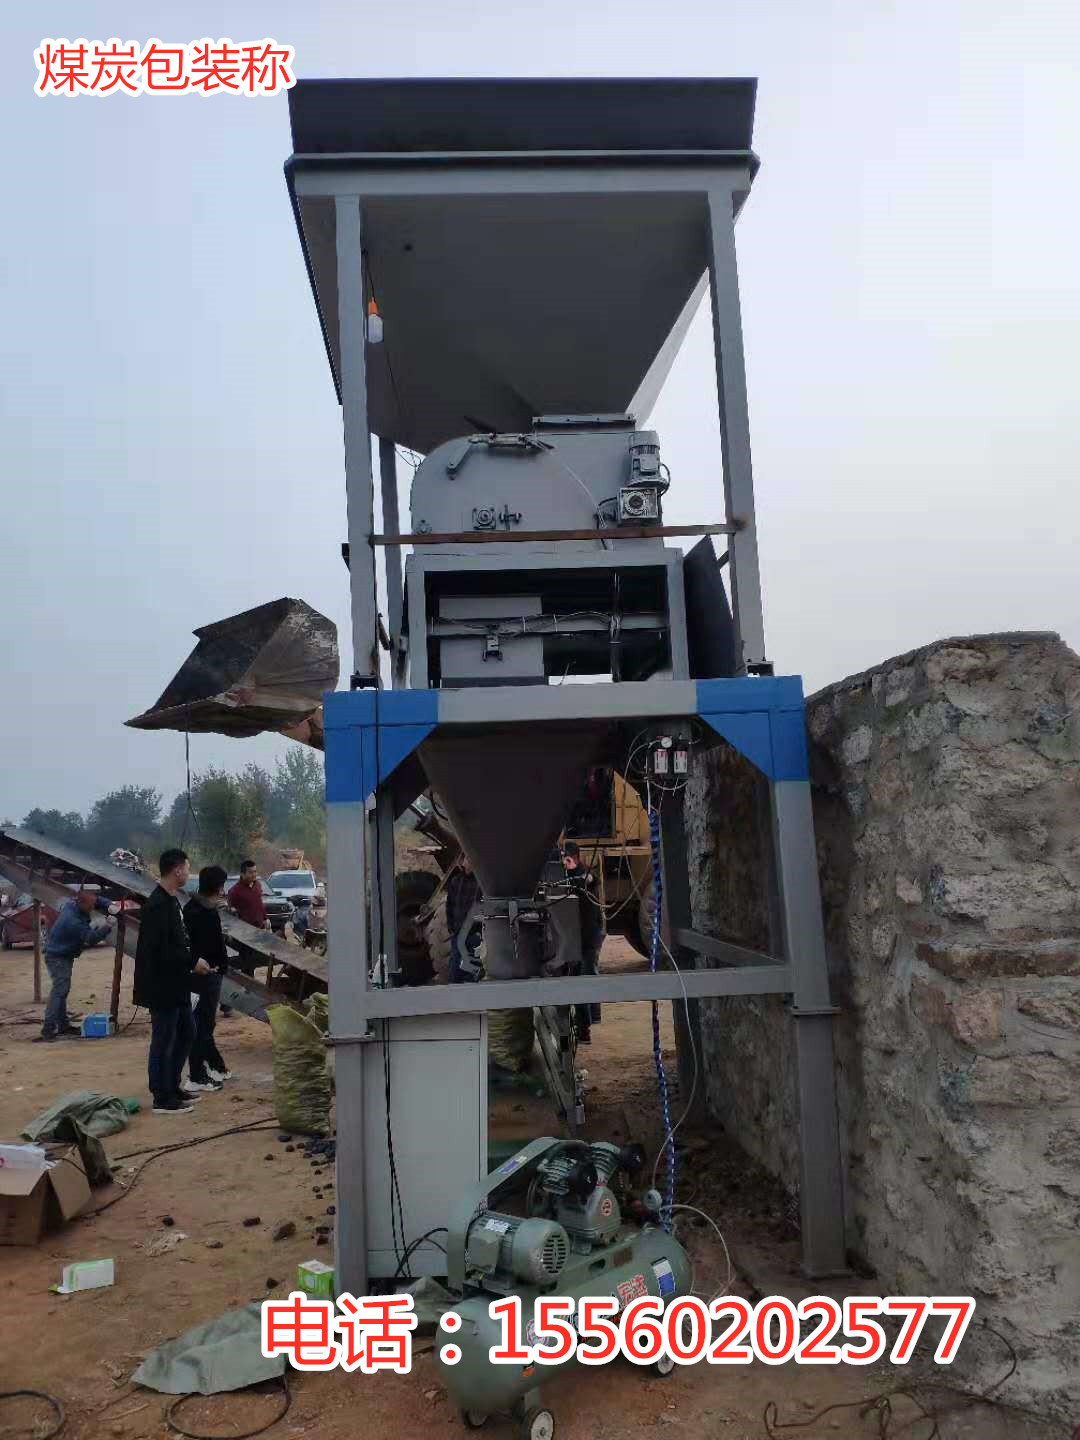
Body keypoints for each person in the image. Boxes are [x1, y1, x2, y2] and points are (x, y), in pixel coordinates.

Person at [133, 848, 209, 1114]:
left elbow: (178, 941)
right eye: (187, 868)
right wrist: (192, 962)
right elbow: (161, 950)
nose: (188, 873)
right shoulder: (157, 905)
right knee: (164, 1039)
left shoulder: (172, 900)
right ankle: (161, 1097)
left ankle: (173, 1085)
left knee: (187, 1031)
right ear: (177, 870)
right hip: (161, 985)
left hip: (178, 983)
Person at [35, 888, 115, 1042]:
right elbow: (91, 938)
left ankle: (63, 1025)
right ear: (82, 903)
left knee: (62, 990)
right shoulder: (73, 921)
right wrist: (107, 926)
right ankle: (48, 1029)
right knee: (60, 990)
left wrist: (109, 904)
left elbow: (94, 899)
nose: (93, 908)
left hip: (62, 954)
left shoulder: (74, 904)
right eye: (91, 906)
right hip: (57, 957)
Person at [183, 864, 232, 1090]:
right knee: (203, 1025)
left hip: (200, 972)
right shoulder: (206, 913)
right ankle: (197, 1076)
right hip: (207, 973)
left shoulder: (191, 907)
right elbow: (212, 945)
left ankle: (217, 1066)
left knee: (204, 1023)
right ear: (218, 887)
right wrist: (222, 965)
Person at [562, 840, 604, 1042]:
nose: (565, 862)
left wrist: (581, 876)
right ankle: (583, 1027)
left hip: (588, 936)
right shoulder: (563, 877)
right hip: (572, 937)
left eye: (568, 858)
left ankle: (591, 1019)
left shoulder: (584, 875)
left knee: (588, 975)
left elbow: (592, 880)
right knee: (577, 979)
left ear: (575, 858)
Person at [445, 855, 481, 983]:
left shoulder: (481, 882)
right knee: (455, 970)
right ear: (462, 862)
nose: (468, 862)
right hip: (458, 933)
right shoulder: (456, 881)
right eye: (466, 859)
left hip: (474, 934)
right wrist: (451, 928)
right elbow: (449, 906)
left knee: (472, 971)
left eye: (471, 859)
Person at [228, 859, 268, 929]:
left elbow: (259, 903)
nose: (254, 875)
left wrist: (265, 918)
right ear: (242, 874)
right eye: (250, 872)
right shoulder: (234, 891)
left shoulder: (257, 885)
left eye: (255, 871)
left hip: (261, 928)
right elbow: (230, 912)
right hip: (246, 930)